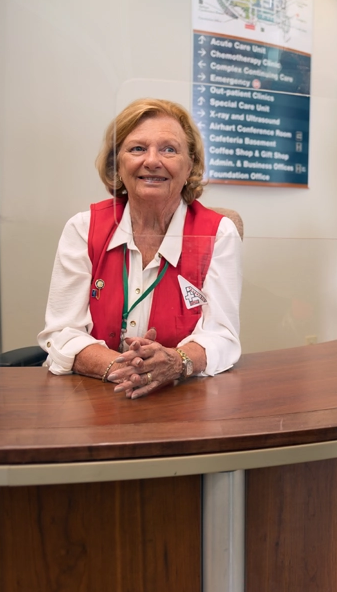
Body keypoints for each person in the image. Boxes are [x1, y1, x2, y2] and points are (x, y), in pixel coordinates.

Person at [38, 98, 242, 399]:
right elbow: (61, 332)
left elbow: (222, 336)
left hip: (180, 399)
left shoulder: (218, 234)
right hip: (92, 397)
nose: (152, 161)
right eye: (137, 148)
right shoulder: (82, 229)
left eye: (169, 149)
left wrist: (177, 362)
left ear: (190, 166)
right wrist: (126, 368)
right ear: (118, 165)